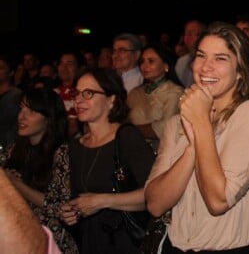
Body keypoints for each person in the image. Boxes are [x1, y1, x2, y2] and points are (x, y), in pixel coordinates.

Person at [145, 21, 249, 253]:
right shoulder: (177, 123)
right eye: (201, 55)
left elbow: (218, 200)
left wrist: (201, 125)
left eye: (220, 58)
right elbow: (155, 203)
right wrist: (192, 148)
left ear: (241, 72)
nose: (205, 67)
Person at [59, 68, 155, 254]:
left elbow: (153, 194)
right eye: (76, 93)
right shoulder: (76, 145)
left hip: (126, 243)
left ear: (111, 100)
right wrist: (70, 211)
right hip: (89, 243)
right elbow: (81, 198)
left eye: (88, 93)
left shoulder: (127, 137)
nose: (78, 100)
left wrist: (102, 201)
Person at [4, 88, 79, 253]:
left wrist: (16, 184)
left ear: (48, 119)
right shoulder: (14, 149)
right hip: (20, 233)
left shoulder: (62, 152)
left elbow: (59, 206)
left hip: (50, 238)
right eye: (21, 109)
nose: (21, 116)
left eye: (30, 111)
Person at [127, 42, 184, 152]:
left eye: (151, 61)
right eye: (142, 61)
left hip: (161, 153)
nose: (144, 66)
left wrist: (131, 131)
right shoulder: (134, 93)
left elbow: (164, 128)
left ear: (166, 66)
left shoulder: (175, 92)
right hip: (132, 150)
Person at [0, 167, 63, 254]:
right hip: (19, 226)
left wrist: (14, 183)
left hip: (48, 232)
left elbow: (58, 206)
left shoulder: (61, 156)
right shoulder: (11, 154)